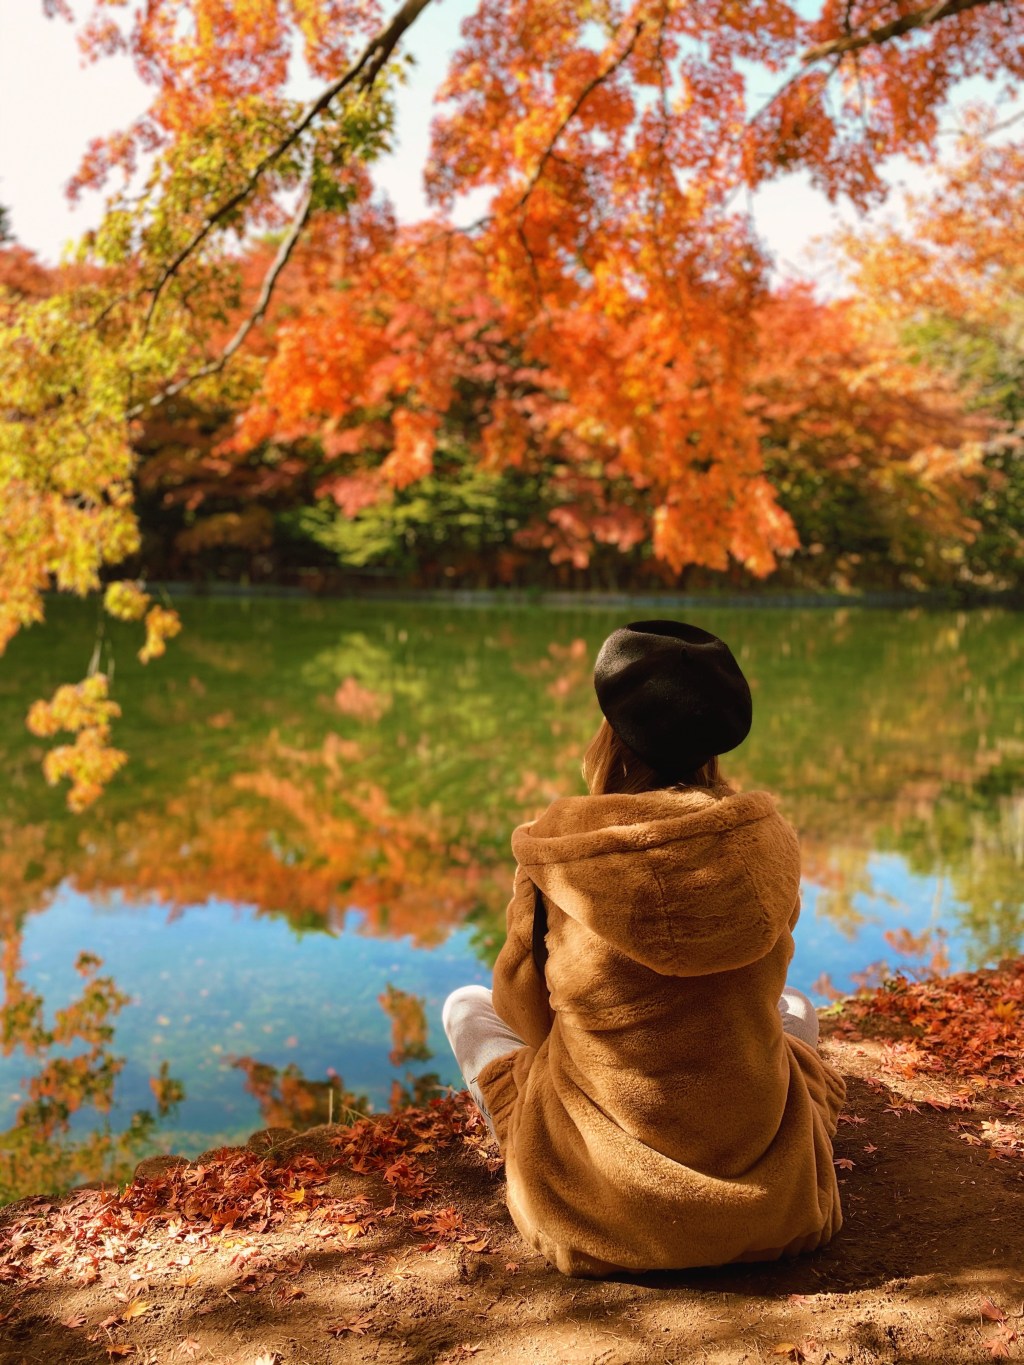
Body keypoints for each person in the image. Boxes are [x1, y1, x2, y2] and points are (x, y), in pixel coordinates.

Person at [442, 620, 845, 1278]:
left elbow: (527, 1018)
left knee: (466, 1005)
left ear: (612, 733)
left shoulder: (562, 853)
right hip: (770, 1204)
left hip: (599, 1208)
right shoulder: (765, 840)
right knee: (795, 1004)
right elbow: (762, 988)